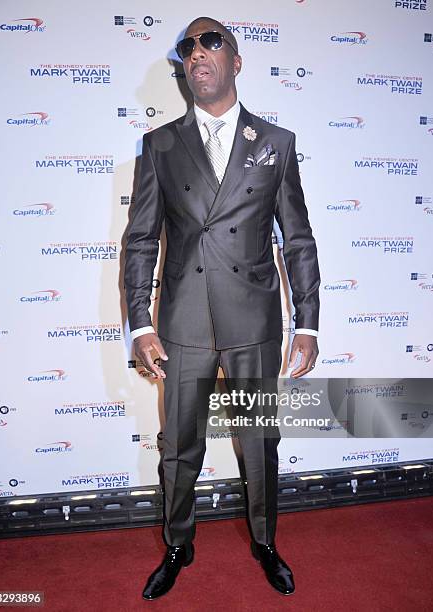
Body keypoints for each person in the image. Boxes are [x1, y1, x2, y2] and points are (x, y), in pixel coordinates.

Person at [124, 16, 320, 600]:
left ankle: (264, 542)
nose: (198, 54)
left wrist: (306, 320)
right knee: (178, 446)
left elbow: (298, 238)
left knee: (258, 443)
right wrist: (140, 323)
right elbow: (140, 239)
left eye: (213, 43)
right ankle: (178, 544)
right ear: (182, 66)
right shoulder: (159, 144)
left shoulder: (277, 143)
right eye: (188, 47)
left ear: (236, 61)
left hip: (253, 321)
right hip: (181, 320)